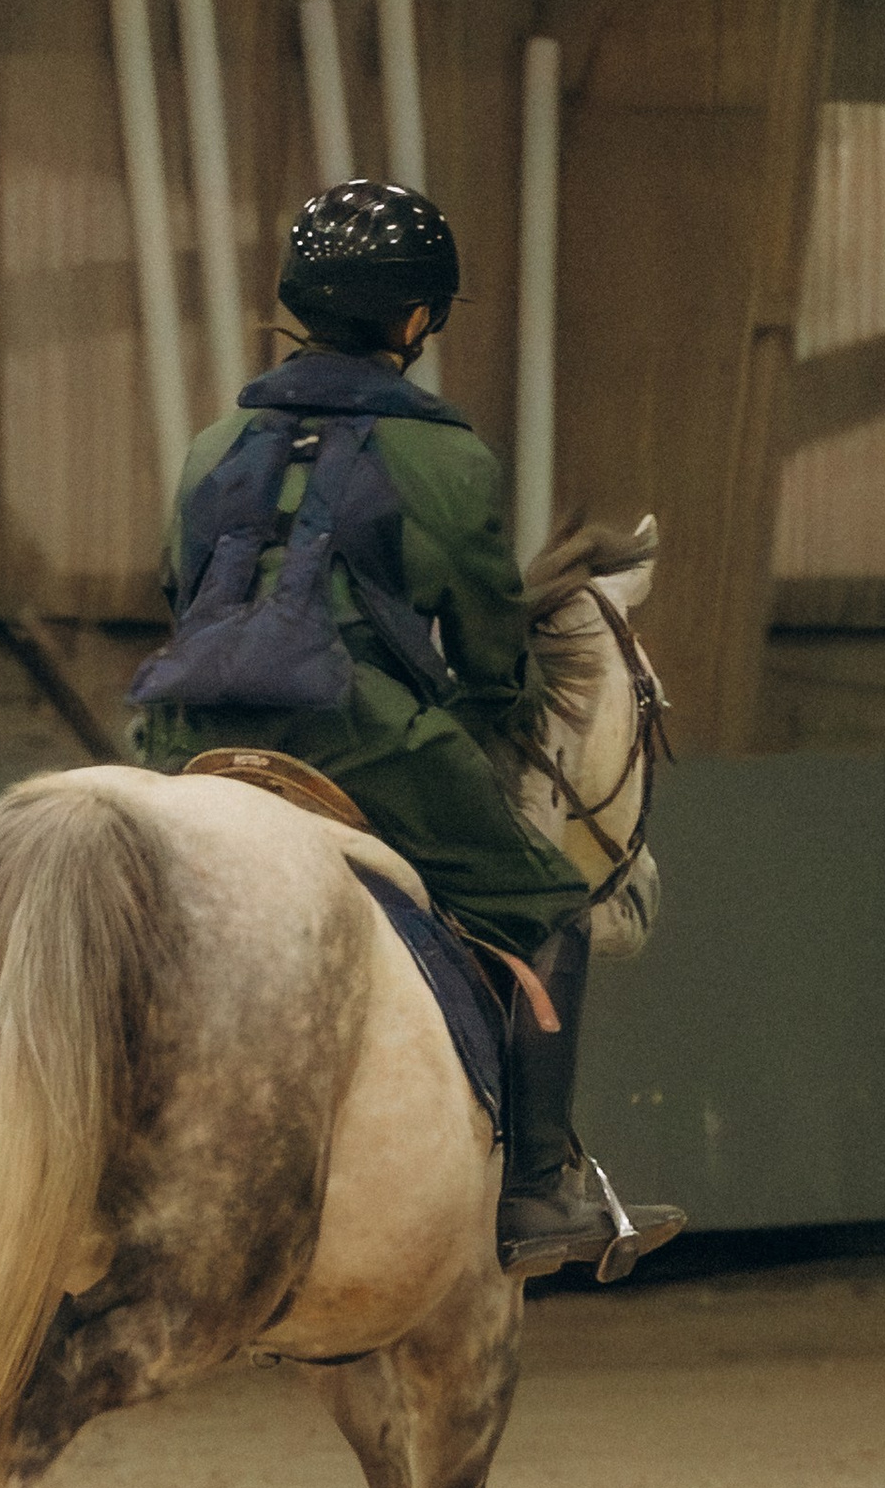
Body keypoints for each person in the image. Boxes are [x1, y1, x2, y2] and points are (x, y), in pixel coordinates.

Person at [130, 177, 684, 1280]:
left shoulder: (210, 444)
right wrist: (482, 722)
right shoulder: (443, 456)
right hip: (359, 738)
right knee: (548, 909)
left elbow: (173, 587)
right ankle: (535, 1185)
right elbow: (488, 654)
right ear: (418, 319)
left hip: (175, 736)